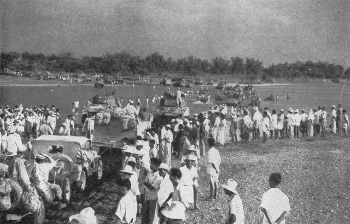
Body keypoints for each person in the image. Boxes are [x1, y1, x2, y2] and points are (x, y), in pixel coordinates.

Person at [142, 157, 163, 224]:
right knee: (145, 215)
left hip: (154, 198)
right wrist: (147, 183)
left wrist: (147, 183)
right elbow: (145, 182)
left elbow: (151, 187)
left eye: (152, 164)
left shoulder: (159, 176)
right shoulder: (150, 172)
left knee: (152, 216)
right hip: (148, 197)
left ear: (157, 165)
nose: (150, 165)